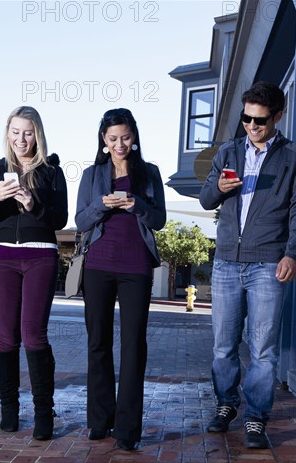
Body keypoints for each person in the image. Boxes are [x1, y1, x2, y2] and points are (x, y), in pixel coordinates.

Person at [199, 81, 296, 449]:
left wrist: (293, 253)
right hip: (226, 263)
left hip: (268, 262)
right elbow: (205, 200)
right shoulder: (229, 152)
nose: (251, 126)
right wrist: (220, 187)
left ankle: (255, 417)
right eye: (246, 119)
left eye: (260, 121)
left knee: (262, 349)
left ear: (277, 116)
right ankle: (225, 405)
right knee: (223, 346)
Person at [75, 108, 166, 451]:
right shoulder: (92, 173)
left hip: (136, 267)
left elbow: (158, 219)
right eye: (113, 138)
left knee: (133, 346)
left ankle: (127, 428)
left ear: (135, 137)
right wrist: (102, 205)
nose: (120, 144)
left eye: (125, 137)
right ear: (103, 140)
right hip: (98, 264)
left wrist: (135, 203)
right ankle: (100, 420)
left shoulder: (150, 173)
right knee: (98, 343)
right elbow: (81, 220)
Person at [0, 106, 68, 440]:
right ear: (8, 133)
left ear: (37, 134)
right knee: (5, 337)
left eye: (27, 132)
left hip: (41, 257)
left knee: (34, 335)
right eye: (15, 132)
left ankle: (44, 413)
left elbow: (59, 219)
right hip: (2, 258)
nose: (21, 139)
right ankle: (9, 411)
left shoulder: (51, 172)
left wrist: (33, 204)